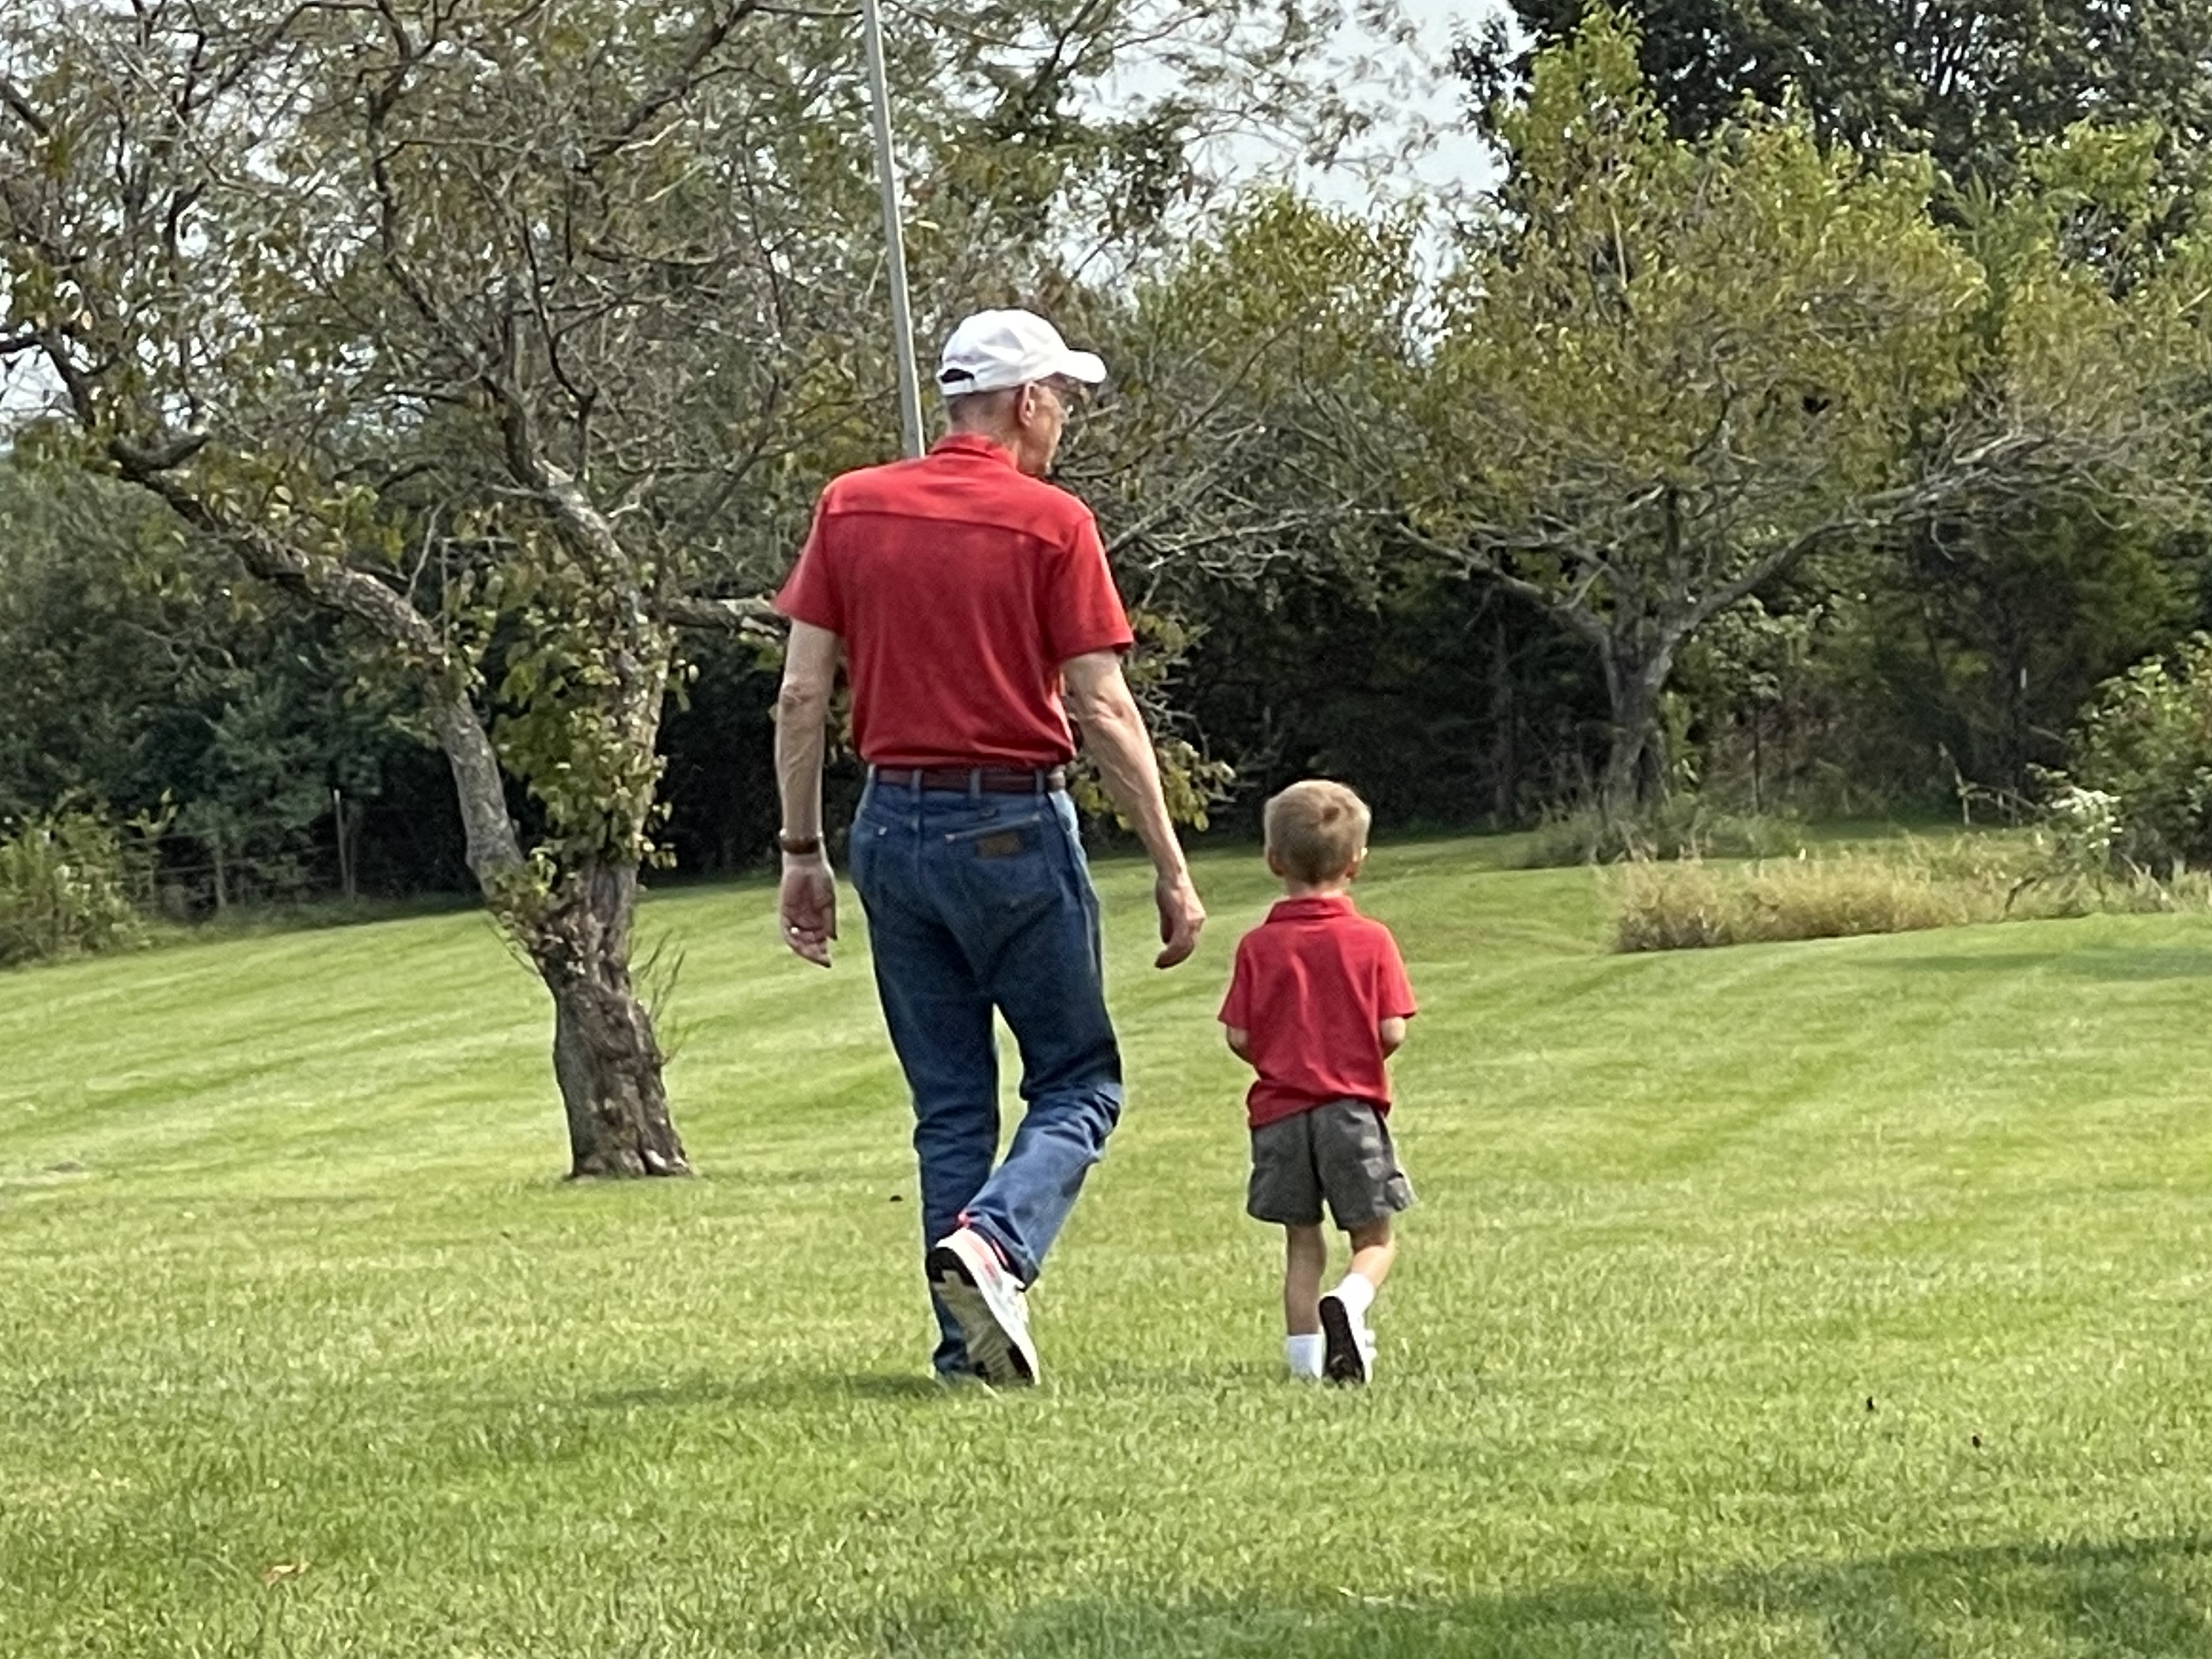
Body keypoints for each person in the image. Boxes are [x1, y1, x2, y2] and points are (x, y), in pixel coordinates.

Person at [772, 307, 1207, 1386]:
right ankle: (998, 1245)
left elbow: (802, 694)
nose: (1066, 420)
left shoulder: (850, 507)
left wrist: (800, 851)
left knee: (951, 1106)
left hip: (890, 827)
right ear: (1027, 402)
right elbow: (1102, 708)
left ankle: (966, 1356)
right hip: (1012, 823)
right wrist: (1170, 865)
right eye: (1064, 400)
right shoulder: (1053, 524)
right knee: (1079, 1081)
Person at [1220, 779, 1415, 1385]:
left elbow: (1239, 1035)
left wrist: (1280, 1058)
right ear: (1356, 861)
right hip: (1350, 1110)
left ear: (1273, 860)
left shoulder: (1258, 946)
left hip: (1279, 1116)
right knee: (1374, 1237)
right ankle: (1350, 1301)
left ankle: (1305, 1364)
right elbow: (1391, 1029)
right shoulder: (1372, 940)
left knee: (1302, 1242)